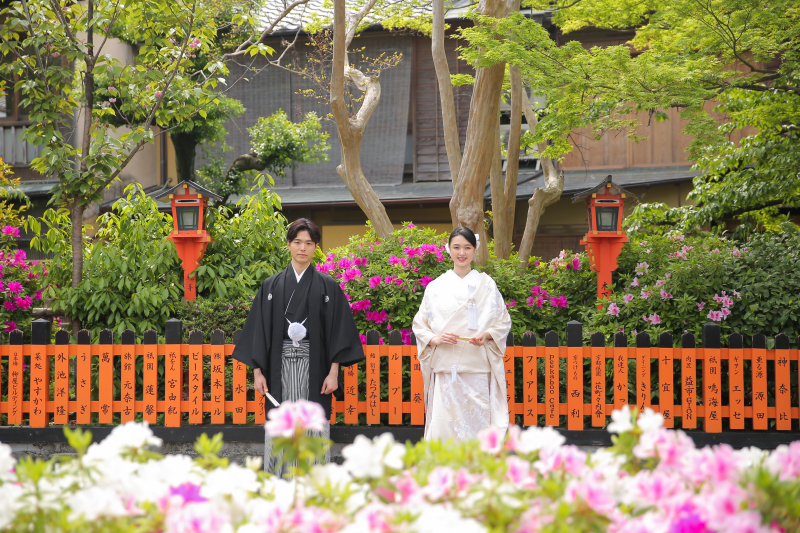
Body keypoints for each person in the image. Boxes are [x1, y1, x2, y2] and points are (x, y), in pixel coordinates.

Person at [232, 218, 364, 475]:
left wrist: (334, 373)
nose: (302, 248)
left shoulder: (328, 286)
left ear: (316, 247)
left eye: (309, 243)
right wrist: (257, 372)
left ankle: (314, 481)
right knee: (281, 422)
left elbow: (338, 332)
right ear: (289, 245)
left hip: (316, 367)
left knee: (313, 422)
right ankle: (279, 481)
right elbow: (258, 331)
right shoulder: (271, 286)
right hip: (277, 366)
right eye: (297, 242)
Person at [412, 227, 512, 442]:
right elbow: (420, 324)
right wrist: (435, 339)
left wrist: (487, 334)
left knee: (478, 428)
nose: (462, 253)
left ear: (475, 249)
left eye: (467, 247)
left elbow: (503, 321)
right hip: (446, 369)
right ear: (448, 249)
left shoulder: (487, 285)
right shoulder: (435, 287)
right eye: (456, 247)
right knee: (444, 427)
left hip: (477, 370)